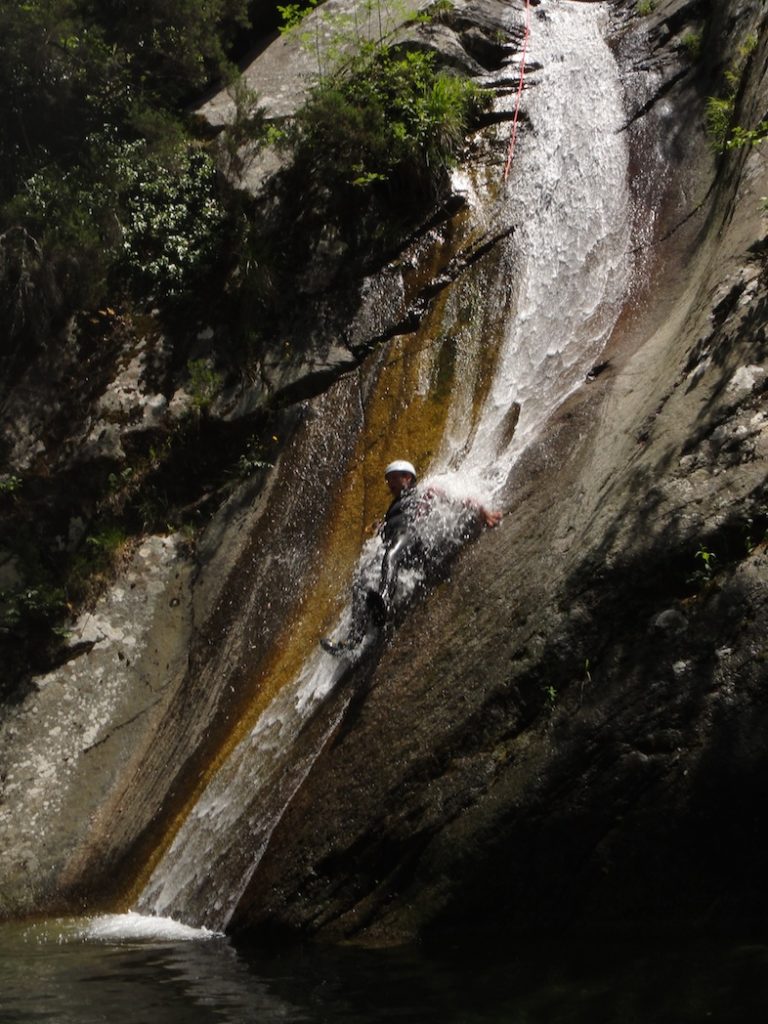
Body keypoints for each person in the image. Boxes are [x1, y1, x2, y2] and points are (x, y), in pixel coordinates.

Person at [320, 459, 501, 656]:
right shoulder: (393, 508)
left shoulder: (425, 491)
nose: (390, 484)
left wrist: (485, 512)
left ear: (407, 477)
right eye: (389, 481)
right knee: (360, 581)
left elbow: (460, 499)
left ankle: (384, 600)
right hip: (397, 544)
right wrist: (381, 527)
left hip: (412, 538)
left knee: (390, 556)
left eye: (394, 479)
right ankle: (352, 642)